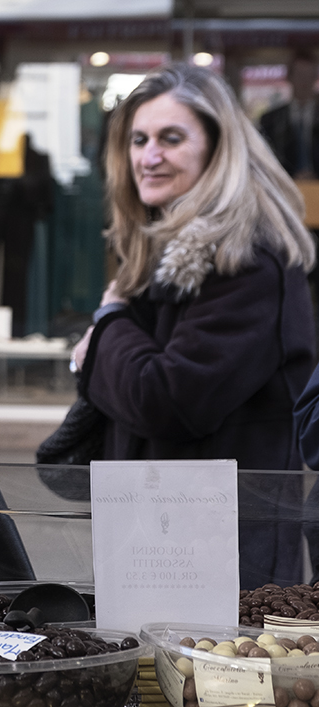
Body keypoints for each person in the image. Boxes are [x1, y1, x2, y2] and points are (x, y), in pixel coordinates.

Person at [70, 63, 315, 588]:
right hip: (157, 543)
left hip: (225, 567)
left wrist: (108, 327)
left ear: (217, 148)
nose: (148, 156)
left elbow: (166, 400)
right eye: (138, 139)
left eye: (171, 138)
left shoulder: (248, 261)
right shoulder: (159, 253)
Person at [260, 52, 319, 180]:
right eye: (300, 75)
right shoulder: (270, 120)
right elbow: (266, 160)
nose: (304, 81)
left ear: (315, 77)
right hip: (283, 189)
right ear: (290, 77)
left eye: (309, 75)